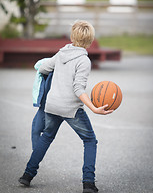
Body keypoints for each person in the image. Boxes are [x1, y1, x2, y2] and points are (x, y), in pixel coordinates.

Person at [19, 20, 113, 193]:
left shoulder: (61, 53)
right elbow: (78, 88)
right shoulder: (84, 60)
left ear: (71, 36)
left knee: (46, 137)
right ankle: (88, 183)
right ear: (91, 41)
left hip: (52, 106)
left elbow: (44, 68)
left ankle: (27, 175)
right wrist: (93, 108)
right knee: (90, 141)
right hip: (71, 109)